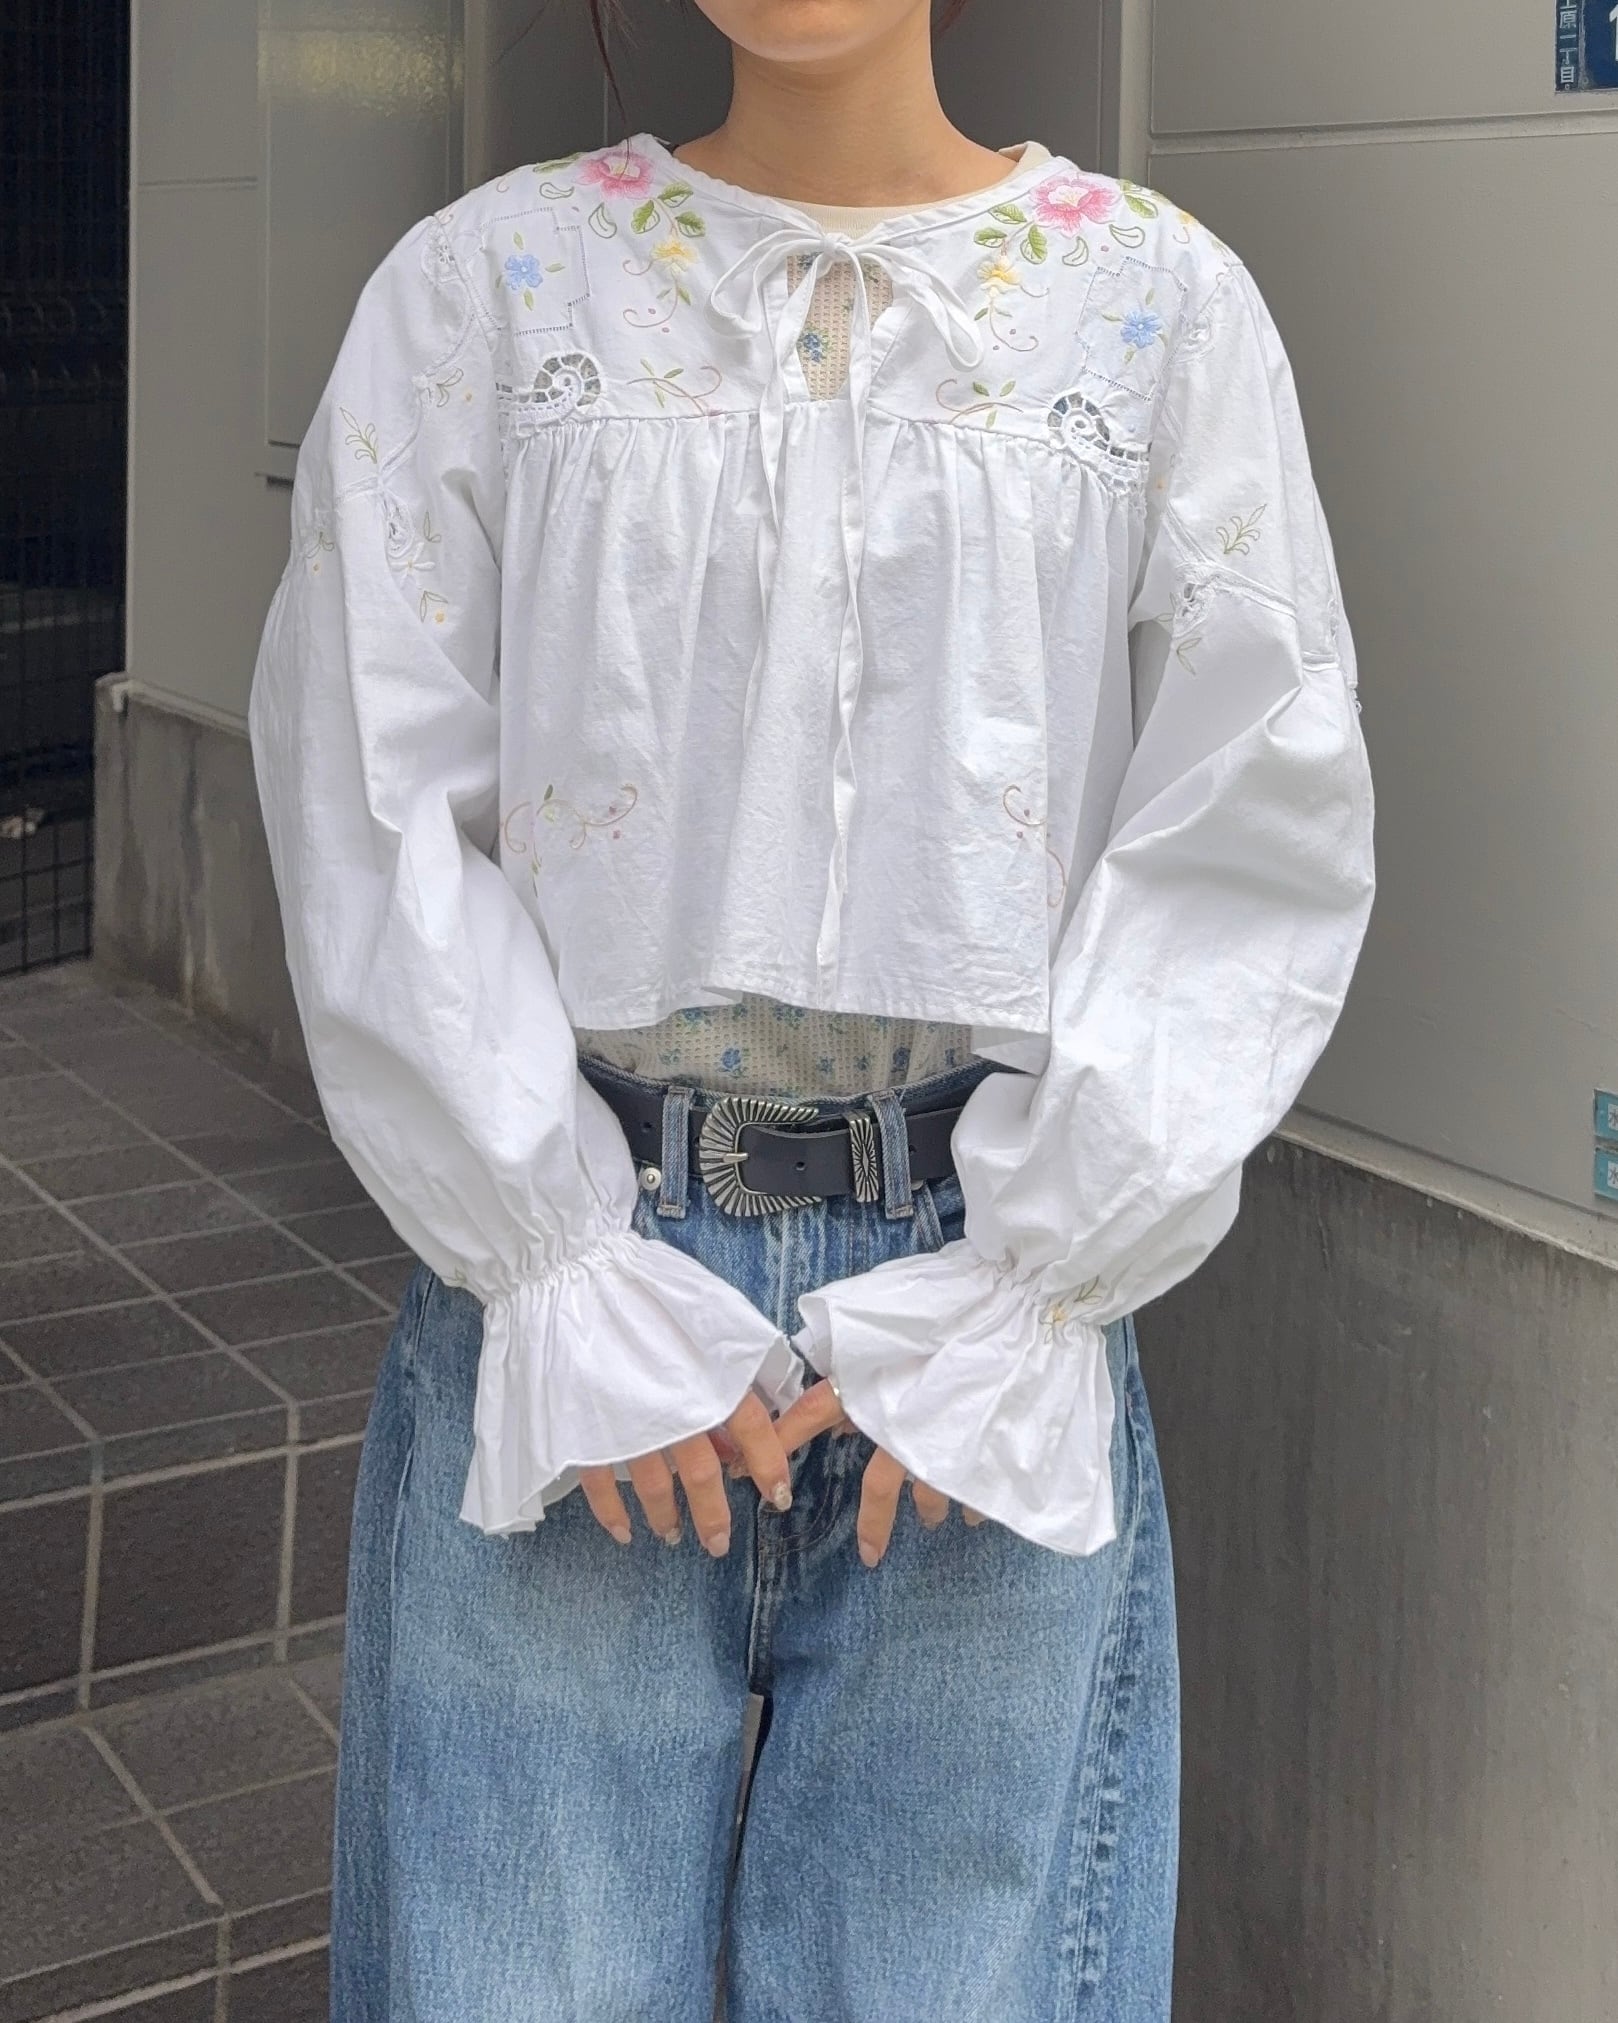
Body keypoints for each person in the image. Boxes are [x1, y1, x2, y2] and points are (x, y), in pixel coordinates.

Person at [246, 0, 1375, 2015]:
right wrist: (553, 1259)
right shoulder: (491, 289)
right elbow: (367, 784)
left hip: (982, 1288)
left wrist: (1031, 1287)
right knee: (521, 1978)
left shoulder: (1151, 306)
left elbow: (1251, 808)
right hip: (583, 1262)